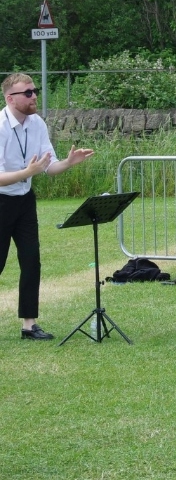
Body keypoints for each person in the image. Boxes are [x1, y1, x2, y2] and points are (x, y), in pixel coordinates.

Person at [1, 73, 94, 340]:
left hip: (25, 201)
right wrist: (26, 172)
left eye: (34, 91)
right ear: (11, 98)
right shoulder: (0, 127)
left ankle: (29, 325)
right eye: (27, 93)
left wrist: (68, 163)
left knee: (32, 261)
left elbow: (48, 167)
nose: (34, 96)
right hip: (1, 201)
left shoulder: (37, 123)